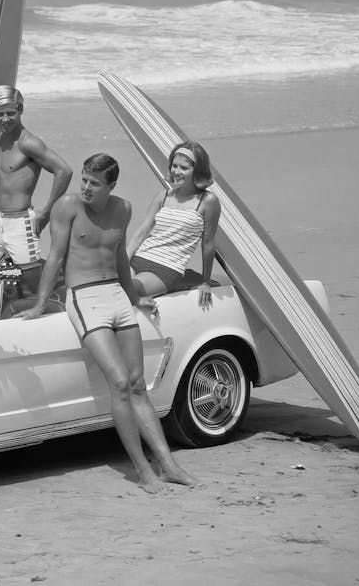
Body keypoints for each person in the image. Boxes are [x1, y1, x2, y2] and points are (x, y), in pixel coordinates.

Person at [19, 154, 198, 493]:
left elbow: (118, 256)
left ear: (111, 186)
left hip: (117, 295)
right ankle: (143, 470)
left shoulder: (124, 209)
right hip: (85, 298)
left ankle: (169, 465)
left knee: (137, 384)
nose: (86, 187)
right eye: (84, 179)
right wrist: (41, 304)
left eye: (94, 183)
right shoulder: (67, 207)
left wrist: (134, 295)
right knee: (118, 382)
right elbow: (55, 256)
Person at [0, 85, 72, 288]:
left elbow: (64, 170)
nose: (5, 119)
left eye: (11, 113)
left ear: (21, 111)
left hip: (20, 222)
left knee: (30, 279)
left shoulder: (28, 142)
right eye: (0, 114)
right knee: (0, 275)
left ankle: (47, 306)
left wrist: (46, 211)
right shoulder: (0, 139)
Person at [127, 141, 221, 307]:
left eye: (184, 168)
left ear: (197, 171)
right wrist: (124, 260)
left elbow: (208, 244)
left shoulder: (208, 201)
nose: (177, 171)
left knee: (126, 290)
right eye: (174, 166)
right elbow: (142, 232)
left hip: (166, 269)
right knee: (108, 285)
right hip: (139, 257)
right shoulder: (163, 196)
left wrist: (205, 281)